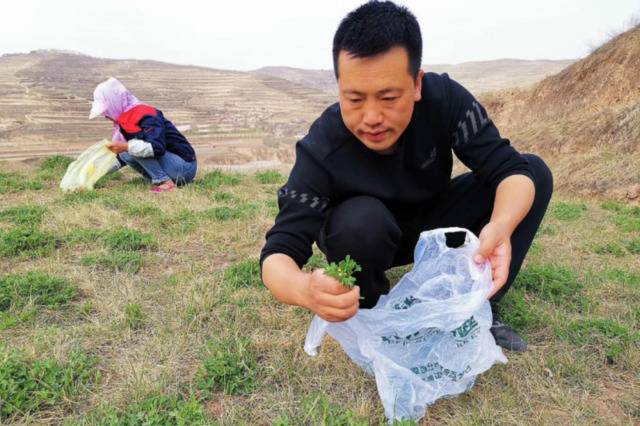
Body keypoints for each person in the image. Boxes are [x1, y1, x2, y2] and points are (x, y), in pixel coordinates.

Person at [260, 1, 553, 352]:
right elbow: (278, 254)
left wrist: (501, 225)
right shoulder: (322, 146)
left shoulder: (444, 100)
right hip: (365, 236)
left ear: (416, 84)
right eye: (354, 99)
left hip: (433, 225)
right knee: (360, 222)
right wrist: (303, 288)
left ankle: (478, 305)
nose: (371, 117)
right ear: (338, 88)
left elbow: (511, 172)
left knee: (533, 171)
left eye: (388, 97)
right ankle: (369, 306)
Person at [89, 77, 197, 192]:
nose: (106, 116)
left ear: (114, 104)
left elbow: (157, 148)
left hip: (184, 168)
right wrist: (92, 175)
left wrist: (126, 147)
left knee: (131, 147)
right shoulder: (124, 121)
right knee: (127, 152)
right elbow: (120, 158)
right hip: (173, 167)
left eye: (106, 111)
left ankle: (165, 182)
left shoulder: (146, 114)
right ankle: (159, 178)